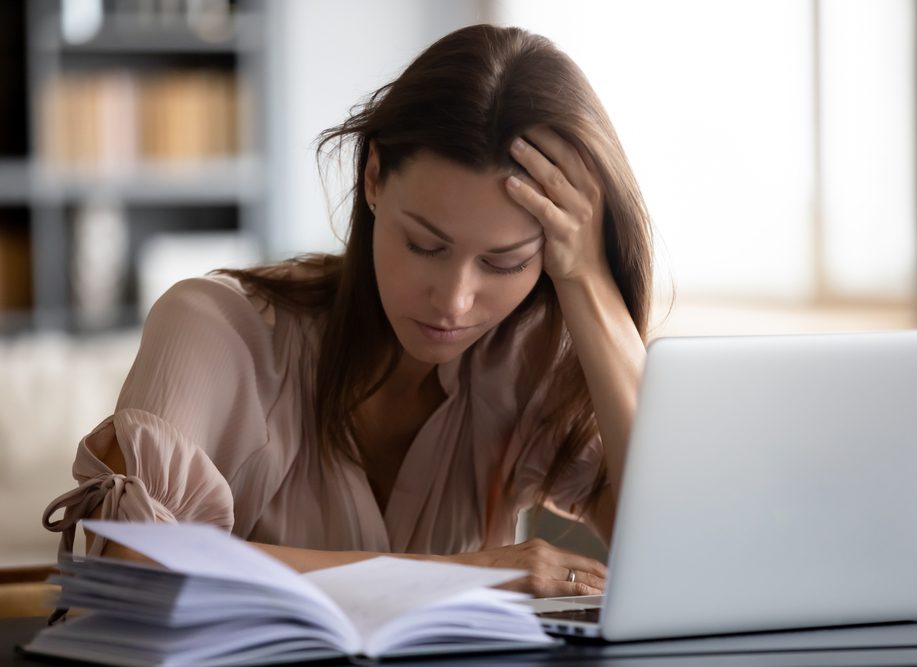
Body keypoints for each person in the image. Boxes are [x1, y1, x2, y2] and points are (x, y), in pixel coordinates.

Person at [42, 23, 652, 599]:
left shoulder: (523, 364)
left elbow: (668, 543)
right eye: (425, 244)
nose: (455, 299)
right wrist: (462, 576)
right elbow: (138, 564)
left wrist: (591, 279)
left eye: (503, 263)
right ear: (374, 177)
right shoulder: (214, 328)